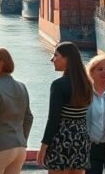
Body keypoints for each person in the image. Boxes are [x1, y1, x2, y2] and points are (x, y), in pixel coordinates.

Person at [38, 41, 92, 174]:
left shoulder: (58, 85)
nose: (52, 59)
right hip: (81, 138)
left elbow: (53, 120)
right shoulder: (87, 83)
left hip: (61, 139)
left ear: (67, 58)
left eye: (56, 55)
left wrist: (43, 147)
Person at [0, 47, 33, 174]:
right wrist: (22, 140)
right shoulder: (22, 87)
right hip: (19, 149)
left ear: (0, 65)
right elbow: (29, 118)